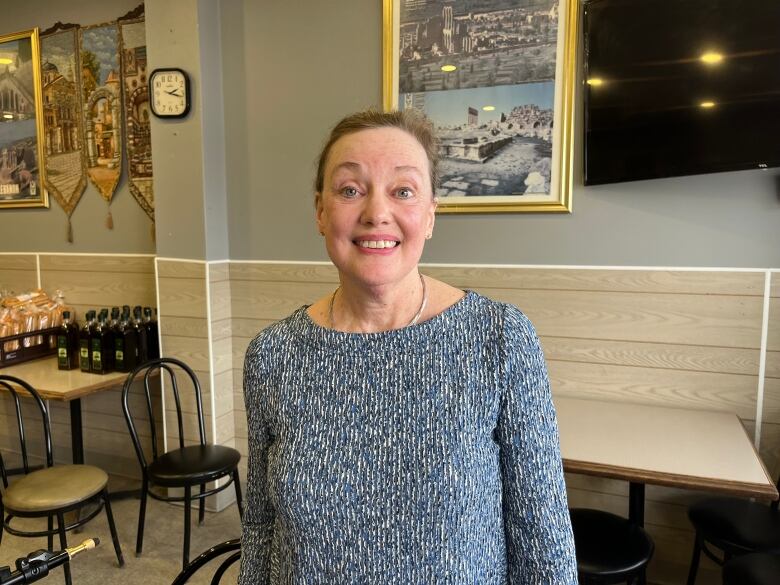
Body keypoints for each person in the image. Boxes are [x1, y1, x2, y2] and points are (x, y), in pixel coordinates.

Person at [239, 109, 578, 583]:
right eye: (350, 190)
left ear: (431, 214)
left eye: (403, 191)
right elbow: (259, 527)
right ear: (320, 211)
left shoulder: (500, 338)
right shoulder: (273, 355)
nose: (377, 213)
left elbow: (543, 541)